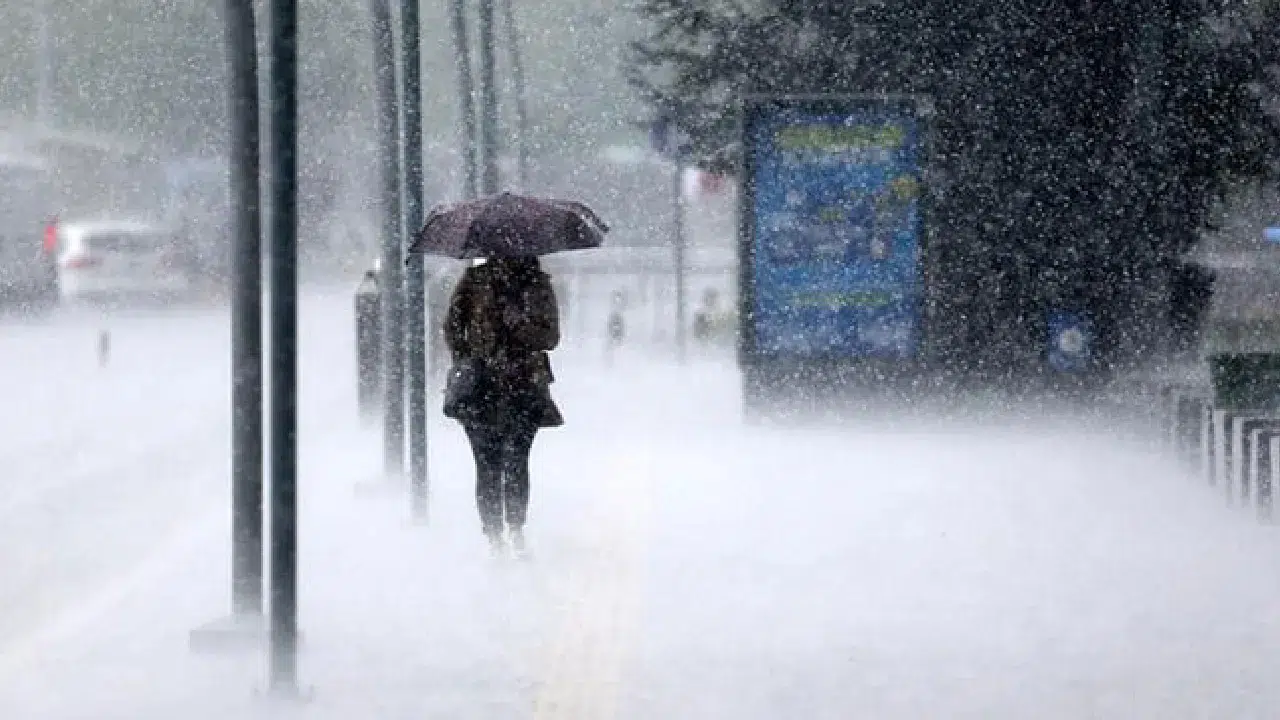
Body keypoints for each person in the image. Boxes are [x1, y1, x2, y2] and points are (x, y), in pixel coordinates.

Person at [444, 256, 563, 559]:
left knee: (516, 460)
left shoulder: (537, 284)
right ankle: (495, 533)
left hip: (523, 386)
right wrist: (471, 358)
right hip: (481, 389)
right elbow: (452, 328)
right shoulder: (474, 282)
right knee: (487, 463)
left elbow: (550, 337)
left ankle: (515, 527)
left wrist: (518, 324)